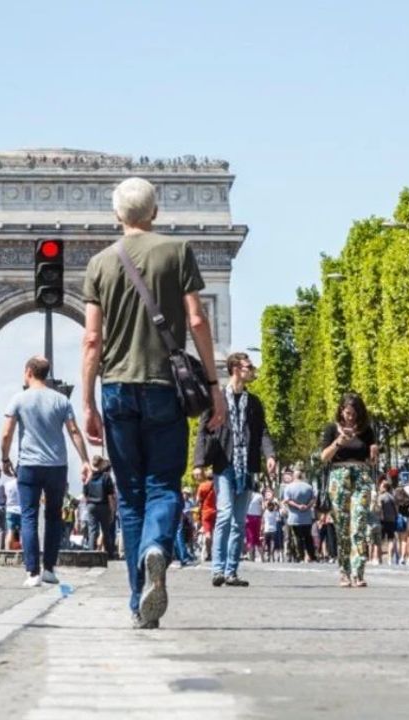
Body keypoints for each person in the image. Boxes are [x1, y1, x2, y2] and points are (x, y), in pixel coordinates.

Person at [80, 176, 226, 629]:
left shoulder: (99, 263)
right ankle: (157, 548)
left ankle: (135, 599)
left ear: (116, 216)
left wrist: (85, 402)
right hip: (166, 386)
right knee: (164, 485)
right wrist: (213, 382)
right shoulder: (178, 250)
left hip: (118, 389)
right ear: (156, 212)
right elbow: (198, 319)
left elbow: (90, 340)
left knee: (131, 498)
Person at [0, 357, 90, 588]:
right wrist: (85, 460)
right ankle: (49, 569)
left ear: (29, 372)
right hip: (56, 466)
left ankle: (32, 572)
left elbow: (6, 433)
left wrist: (4, 457)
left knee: (28, 517)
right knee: (53, 517)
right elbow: (74, 431)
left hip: (29, 465)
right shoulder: (61, 400)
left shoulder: (19, 399)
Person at [194, 351, 277, 588]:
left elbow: (262, 432)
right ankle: (217, 570)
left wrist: (270, 455)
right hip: (224, 464)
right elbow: (203, 431)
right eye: (248, 366)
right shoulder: (216, 398)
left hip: (246, 467)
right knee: (224, 515)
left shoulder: (254, 402)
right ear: (236, 369)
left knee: (238, 521)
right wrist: (199, 463)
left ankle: (231, 571)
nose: (252, 369)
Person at [319, 392, 380, 587]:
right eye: (347, 413)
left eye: (354, 413)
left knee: (360, 522)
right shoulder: (331, 429)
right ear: (341, 411)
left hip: (361, 475)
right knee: (343, 527)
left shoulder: (367, 431)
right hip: (339, 476)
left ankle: (358, 572)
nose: (350, 417)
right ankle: (344, 571)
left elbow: (371, 460)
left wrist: (374, 453)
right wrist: (339, 442)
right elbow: (324, 457)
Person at [82, 456, 118, 558]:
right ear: (101, 463)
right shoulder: (106, 477)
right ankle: (109, 554)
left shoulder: (89, 477)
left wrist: (87, 506)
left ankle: (90, 553)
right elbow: (110, 496)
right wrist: (112, 510)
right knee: (106, 530)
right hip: (103, 505)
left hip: (91, 505)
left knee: (92, 530)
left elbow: (85, 494)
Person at [282, 470, 318, 563]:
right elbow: (314, 498)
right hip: (307, 516)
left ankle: (301, 556)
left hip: (294, 517)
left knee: (298, 537)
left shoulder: (288, 487)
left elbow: (287, 500)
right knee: (308, 536)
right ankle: (312, 556)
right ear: (302, 476)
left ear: (294, 476)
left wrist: (298, 506)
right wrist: (307, 506)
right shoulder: (309, 487)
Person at [194, 469, 216, 561]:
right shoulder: (217, 486)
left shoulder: (202, 486)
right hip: (216, 511)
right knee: (216, 532)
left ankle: (209, 553)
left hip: (206, 512)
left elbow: (197, 500)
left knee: (207, 533)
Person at [245, 484, 265, 563]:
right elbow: (263, 507)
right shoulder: (260, 496)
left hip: (248, 517)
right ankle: (262, 557)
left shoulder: (247, 496)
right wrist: (261, 513)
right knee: (257, 537)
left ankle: (251, 557)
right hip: (257, 518)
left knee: (249, 537)